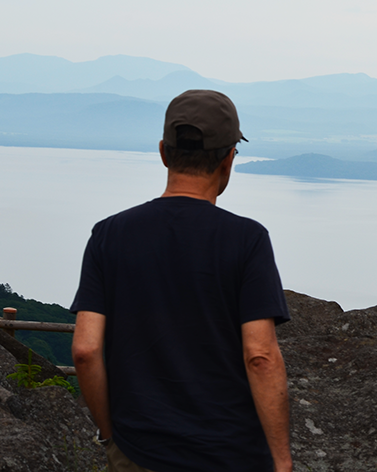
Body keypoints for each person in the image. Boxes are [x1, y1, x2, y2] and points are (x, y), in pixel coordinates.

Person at [71, 89, 292, 472]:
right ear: (228, 159)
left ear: (163, 153)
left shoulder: (109, 234)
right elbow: (260, 356)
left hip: (138, 452)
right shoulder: (247, 240)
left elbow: (86, 350)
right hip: (231, 456)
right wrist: (283, 462)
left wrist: (110, 438)